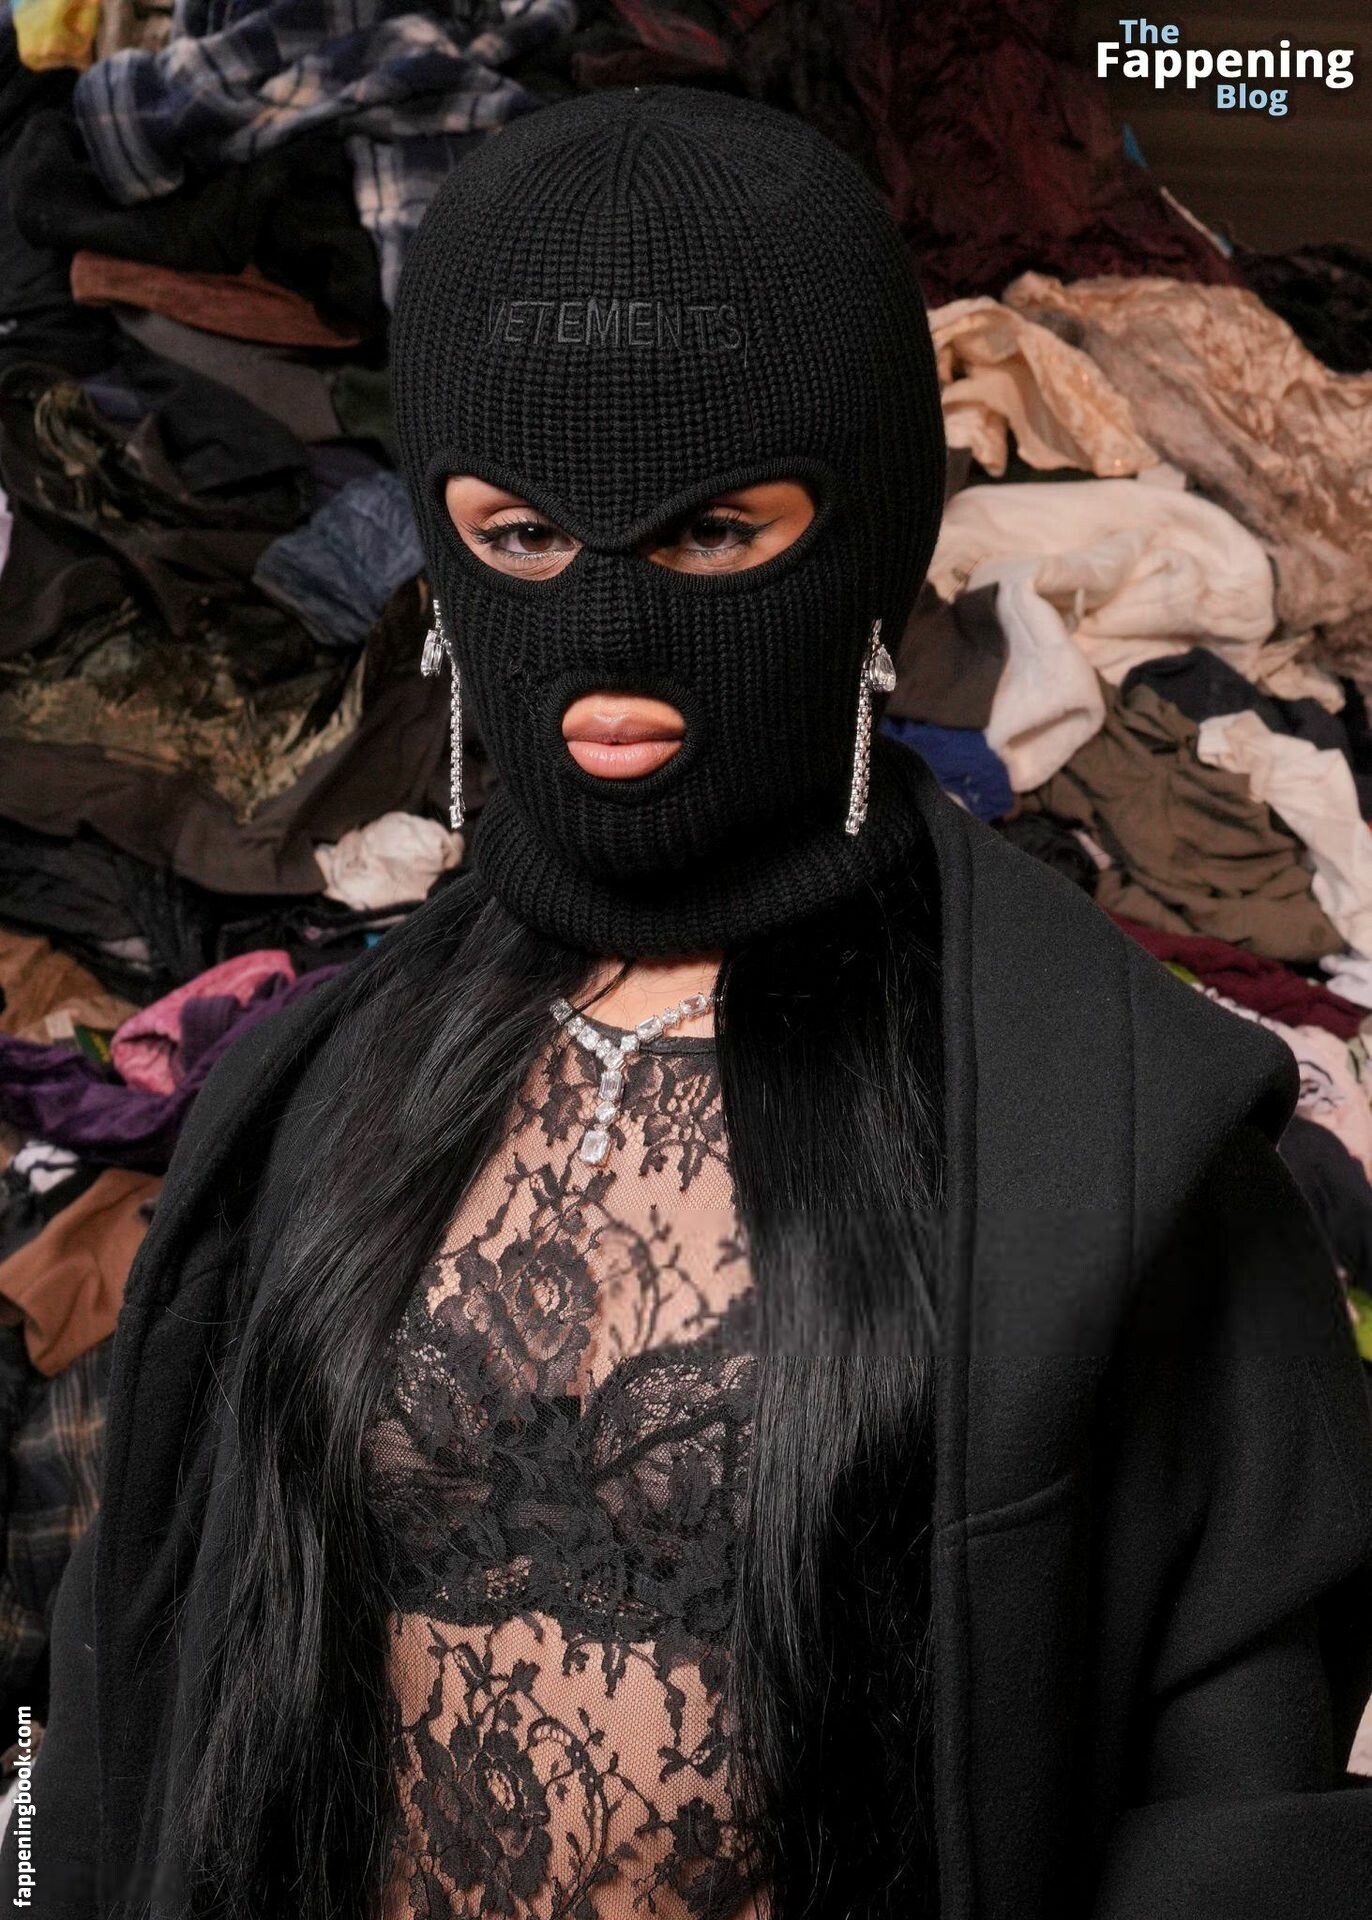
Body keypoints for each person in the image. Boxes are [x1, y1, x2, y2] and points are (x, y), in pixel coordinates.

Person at [8, 86, 1372, 1920]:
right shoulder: (313, 1102)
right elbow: (136, 1706)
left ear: (868, 533)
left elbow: (1242, 1790)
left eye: (715, 532)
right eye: (520, 534)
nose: (612, 638)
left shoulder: (1117, 1138)